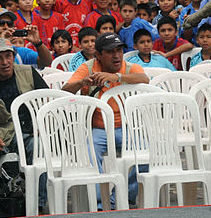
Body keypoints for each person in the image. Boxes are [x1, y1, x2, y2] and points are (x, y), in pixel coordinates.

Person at [64, 33, 149, 206]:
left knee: (147, 155)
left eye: (119, 50)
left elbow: (144, 79)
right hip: (98, 130)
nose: (116, 55)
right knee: (90, 153)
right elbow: (65, 90)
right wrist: (82, 83)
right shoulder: (88, 67)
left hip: (125, 129)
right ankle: (100, 203)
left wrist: (117, 77)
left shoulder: (127, 67)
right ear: (98, 55)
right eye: (110, 52)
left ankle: (123, 197)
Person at [0, 38, 48, 214]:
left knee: (39, 146)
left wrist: (40, 126)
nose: (5, 62)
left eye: (8, 56)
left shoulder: (29, 72)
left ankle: (39, 202)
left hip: (27, 131)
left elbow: (45, 101)